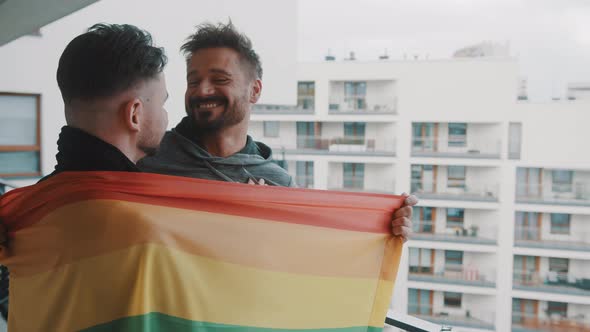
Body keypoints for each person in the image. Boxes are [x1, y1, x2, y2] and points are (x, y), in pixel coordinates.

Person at [139, 21, 416, 240]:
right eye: (193, 80)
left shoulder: (279, 185)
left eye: (219, 79)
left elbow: (312, 255)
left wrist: (384, 228)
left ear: (255, 90)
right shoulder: (146, 159)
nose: (203, 90)